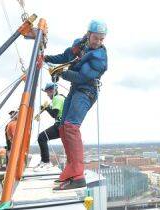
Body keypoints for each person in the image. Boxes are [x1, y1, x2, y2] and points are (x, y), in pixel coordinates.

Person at [44, 19, 108, 191]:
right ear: (89, 35)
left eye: (102, 39)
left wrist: (62, 73)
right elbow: (66, 57)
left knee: (71, 126)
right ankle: (71, 169)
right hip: (76, 89)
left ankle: (78, 175)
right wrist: (47, 58)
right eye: (96, 38)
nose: (99, 42)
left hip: (86, 91)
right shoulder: (80, 45)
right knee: (62, 128)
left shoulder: (99, 58)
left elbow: (82, 77)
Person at [34, 82, 65, 172]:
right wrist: (45, 107)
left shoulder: (57, 98)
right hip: (62, 125)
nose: (47, 95)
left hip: (60, 125)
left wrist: (47, 108)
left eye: (48, 92)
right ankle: (45, 161)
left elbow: (54, 114)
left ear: (52, 90)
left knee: (42, 137)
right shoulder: (59, 98)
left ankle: (46, 161)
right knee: (42, 137)